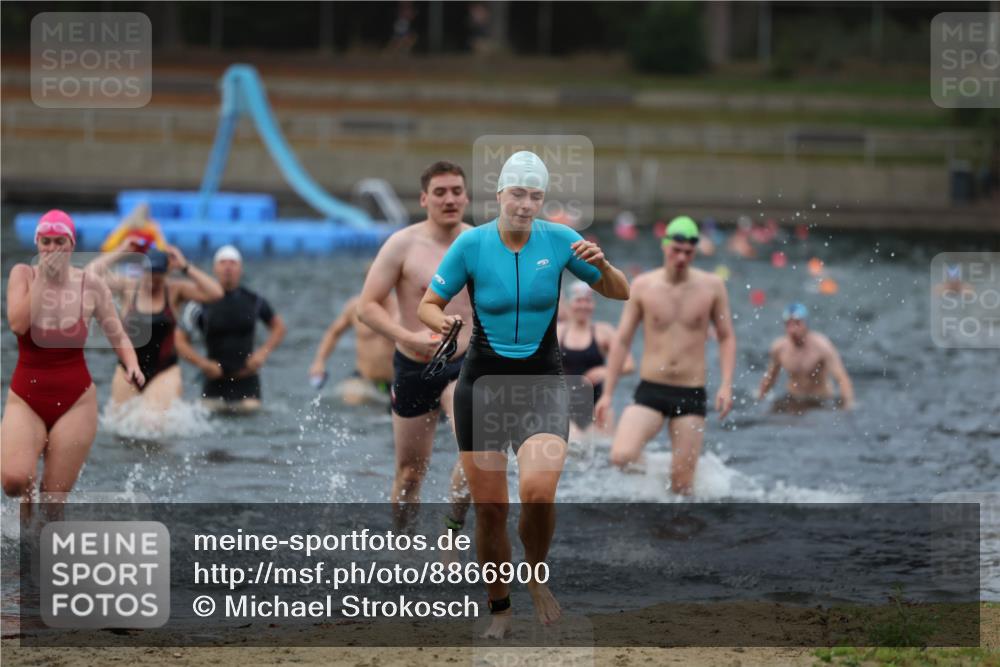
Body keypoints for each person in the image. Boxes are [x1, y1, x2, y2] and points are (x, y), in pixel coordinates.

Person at [418, 151, 629, 637]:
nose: (526, 204)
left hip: (541, 386)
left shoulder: (561, 241)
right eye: (518, 194)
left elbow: (620, 293)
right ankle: (500, 608)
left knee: (537, 495)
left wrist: (605, 264)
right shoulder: (472, 245)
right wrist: (445, 321)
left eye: (536, 196)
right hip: (482, 388)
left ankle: (534, 573)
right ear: (499, 196)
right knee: (492, 509)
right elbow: (427, 305)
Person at [2, 211, 144, 522]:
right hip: (26, 397)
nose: (52, 248)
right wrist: (44, 279)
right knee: (13, 480)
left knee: (53, 502)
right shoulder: (23, 275)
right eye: (46, 242)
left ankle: (44, 558)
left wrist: (132, 364)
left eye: (60, 242)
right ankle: (26, 506)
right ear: (38, 243)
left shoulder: (90, 284)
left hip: (76, 400)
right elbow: (17, 323)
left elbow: (117, 332)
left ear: (72, 245)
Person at [357, 161, 474, 533]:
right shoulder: (402, 245)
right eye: (440, 192)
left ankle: (450, 535)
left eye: (456, 191)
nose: (449, 198)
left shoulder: (480, 243)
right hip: (413, 365)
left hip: (464, 363)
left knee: (476, 453)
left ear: (466, 197)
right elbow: (367, 307)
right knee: (409, 475)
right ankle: (401, 545)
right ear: (424, 199)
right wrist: (405, 336)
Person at [597, 216, 736, 496]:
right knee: (620, 456)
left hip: (691, 392)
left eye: (688, 252)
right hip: (651, 389)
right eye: (677, 250)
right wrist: (608, 394)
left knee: (682, 487)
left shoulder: (711, 287)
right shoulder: (643, 286)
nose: (682, 257)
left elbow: (726, 336)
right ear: (665, 246)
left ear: (695, 251)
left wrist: (726, 384)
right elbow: (622, 340)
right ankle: (655, 471)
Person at [88, 241, 223, 413]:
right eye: (150, 274)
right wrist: (121, 251)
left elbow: (216, 293)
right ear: (143, 271)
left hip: (164, 370)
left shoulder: (175, 290)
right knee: (121, 424)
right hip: (127, 368)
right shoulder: (128, 286)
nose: (154, 280)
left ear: (167, 272)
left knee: (153, 425)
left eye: (159, 275)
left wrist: (184, 266)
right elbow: (88, 277)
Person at [175, 245, 286, 413]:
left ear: (240, 269)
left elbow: (278, 327)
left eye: (233, 263)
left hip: (247, 379)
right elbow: (179, 340)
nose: (228, 267)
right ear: (215, 268)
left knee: (251, 414)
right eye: (223, 263)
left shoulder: (254, 301)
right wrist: (202, 363)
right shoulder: (198, 304)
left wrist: (263, 353)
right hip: (214, 381)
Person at [557, 280, 634, 436]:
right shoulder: (558, 332)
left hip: (597, 406)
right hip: (564, 407)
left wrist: (605, 371)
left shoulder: (603, 332)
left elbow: (629, 364)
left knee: (605, 452)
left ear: (593, 304)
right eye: (579, 301)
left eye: (588, 301)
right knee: (575, 445)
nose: (583, 306)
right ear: (570, 304)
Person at [309, 284, 397, 407]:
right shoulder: (355, 307)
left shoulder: (401, 308)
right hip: (363, 379)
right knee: (352, 396)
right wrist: (319, 361)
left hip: (395, 380)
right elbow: (334, 332)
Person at [758, 303, 855, 412]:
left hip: (820, 402)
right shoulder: (780, 348)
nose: (792, 330)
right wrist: (760, 398)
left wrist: (848, 405)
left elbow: (842, 378)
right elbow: (770, 377)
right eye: (788, 324)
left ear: (806, 324)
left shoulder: (822, 346)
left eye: (797, 323)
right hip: (794, 399)